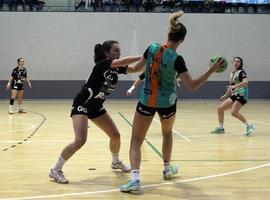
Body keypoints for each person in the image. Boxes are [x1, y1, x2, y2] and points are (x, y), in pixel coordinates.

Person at [120, 11, 225, 193]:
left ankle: (135, 180)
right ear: (182, 40)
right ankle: (167, 169)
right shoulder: (177, 60)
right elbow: (192, 85)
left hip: (147, 100)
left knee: (136, 140)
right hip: (168, 103)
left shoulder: (152, 48)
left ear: (168, 34)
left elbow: (135, 68)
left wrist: (116, 67)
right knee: (167, 134)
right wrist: (211, 71)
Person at [49, 40, 141, 184]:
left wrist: (151, 58)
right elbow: (123, 61)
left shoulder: (116, 68)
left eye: (119, 51)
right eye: (115, 50)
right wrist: (143, 55)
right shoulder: (103, 64)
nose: (119, 53)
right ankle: (55, 170)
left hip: (96, 106)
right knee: (80, 140)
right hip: (82, 104)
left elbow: (135, 69)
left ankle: (115, 162)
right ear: (107, 53)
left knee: (115, 135)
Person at [211, 57, 255, 136]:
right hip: (234, 95)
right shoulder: (232, 73)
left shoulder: (241, 72)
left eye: (238, 61)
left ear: (240, 64)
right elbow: (231, 86)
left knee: (234, 112)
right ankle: (221, 128)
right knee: (220, 108)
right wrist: (225, 95)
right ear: (232, 63)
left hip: (242, 95)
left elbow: (245, 82)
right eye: (234, 61)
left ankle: (249, 125)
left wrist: (235, 87)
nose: (236, 62)